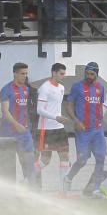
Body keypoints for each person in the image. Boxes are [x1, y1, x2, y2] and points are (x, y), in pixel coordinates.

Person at [63, 62, 107, 197]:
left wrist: (101, 121)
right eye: (87, 73)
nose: (89, 76)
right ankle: (68, 177)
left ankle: (96, 189)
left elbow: (100, 106)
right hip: (83, 130)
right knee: (82, 159)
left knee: (100, 158)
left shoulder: (100, 87)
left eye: (92, 74)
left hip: (97, 130)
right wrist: (76, 121)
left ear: (97, 75)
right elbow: (69, 105)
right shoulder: (77, 87)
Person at [36, 62, 71, 193]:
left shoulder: (61, 88)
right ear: (54, 73)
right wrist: (55, 117)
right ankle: (28, 178)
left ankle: (63, 191)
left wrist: (59, 119)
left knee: (65, 156)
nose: (63, 76)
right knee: (45, 161)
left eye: (64, 73)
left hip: (59, 128)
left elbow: (55, 108)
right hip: (46, 129)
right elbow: (39, 110)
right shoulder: (45, 88)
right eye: (61, 73)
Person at [0, 63, 38, 185]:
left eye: (26, 73)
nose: (25, 76)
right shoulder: (6, 89)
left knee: (29, 161)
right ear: (15, 73)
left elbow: (25, 109)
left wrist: (27, 125)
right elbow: (5, 111)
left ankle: (30, 190)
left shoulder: (26, 89)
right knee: (7, 166)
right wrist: (16, 125)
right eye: (22, 73)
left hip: (24, 132)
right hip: (8, 132)